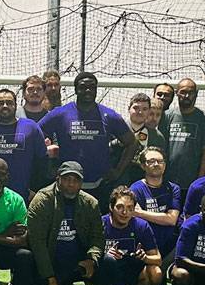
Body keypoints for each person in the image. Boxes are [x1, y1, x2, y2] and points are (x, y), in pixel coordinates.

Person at [26, 161, 109, 285]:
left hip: (78, 264)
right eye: (67, 179)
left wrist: (91, 259)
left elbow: (97, 237)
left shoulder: (90, 203)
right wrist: (51, 281)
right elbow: (38, 244)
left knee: (109, 263)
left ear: (81, 182)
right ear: (58, 179)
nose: (71, 184)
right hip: (52, 265)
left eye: (76, 180)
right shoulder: (42, 201)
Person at [38, 72, 139, 202]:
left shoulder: (109, 115)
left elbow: (132, 142)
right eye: (83, 87)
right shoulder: (60, 114)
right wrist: (49, 165)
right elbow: (34, 135)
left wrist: (118, 171)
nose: (88, 90)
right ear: (75, 89)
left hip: (99, 185)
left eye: (92, 87)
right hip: (66, 185)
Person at [98, 187, 164, 285]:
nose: (125, 212)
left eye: (130, 208)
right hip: (106, 272)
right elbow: (87, 254)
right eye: (120, 207)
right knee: (91, 266)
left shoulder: (141, 226)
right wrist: (106, 255)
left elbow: (158, 259)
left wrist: (145, 257)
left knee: (156, 273)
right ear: (111, 207)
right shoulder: (100, 224)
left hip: (132, 272)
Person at [129, 147, 182, 285]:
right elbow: (134, 219)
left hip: (170, 245)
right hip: (147, 245)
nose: (156, 164)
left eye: (160, 161)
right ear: (143, 166)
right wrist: (160, 217)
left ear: (165, 165)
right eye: (151, 161)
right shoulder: (135, 189)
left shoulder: (174, 188)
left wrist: (141, 213)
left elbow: (172, 219)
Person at [0, 88, 49, 201]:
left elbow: (42, 161)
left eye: (9, 103)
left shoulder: (31, 127)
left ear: (15, 105)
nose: (5, 106)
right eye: (0, 103)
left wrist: (35, 189)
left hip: (23, 196)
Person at [161, 78, 205, 189]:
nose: (186, 96)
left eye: (190, 92)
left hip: (192, 179)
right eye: (183, 92)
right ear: (177, 93)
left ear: (196, 94)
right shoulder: (166, 116)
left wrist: (200, 179)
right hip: (168, 179)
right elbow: (161, 146)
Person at [115, 93, 163, 187]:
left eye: (144, 109)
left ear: (148, 111)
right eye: (136, 108)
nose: (140, 112)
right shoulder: (115, 130)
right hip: (116, 183)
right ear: (129, 108)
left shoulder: (157, 137)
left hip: (144, 185)